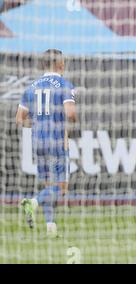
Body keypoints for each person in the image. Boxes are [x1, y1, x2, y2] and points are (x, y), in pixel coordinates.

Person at [16, 49, 77, 237]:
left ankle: (51, 228)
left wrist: (37, 124)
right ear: (60, 65)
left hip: (38, 142)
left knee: (49, 185)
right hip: (58, 141)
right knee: (61, 188)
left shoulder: (31, 87)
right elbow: (71, 114)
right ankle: (33, 202)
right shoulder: (64, 84)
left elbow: (19, 119)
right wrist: (71, 123)